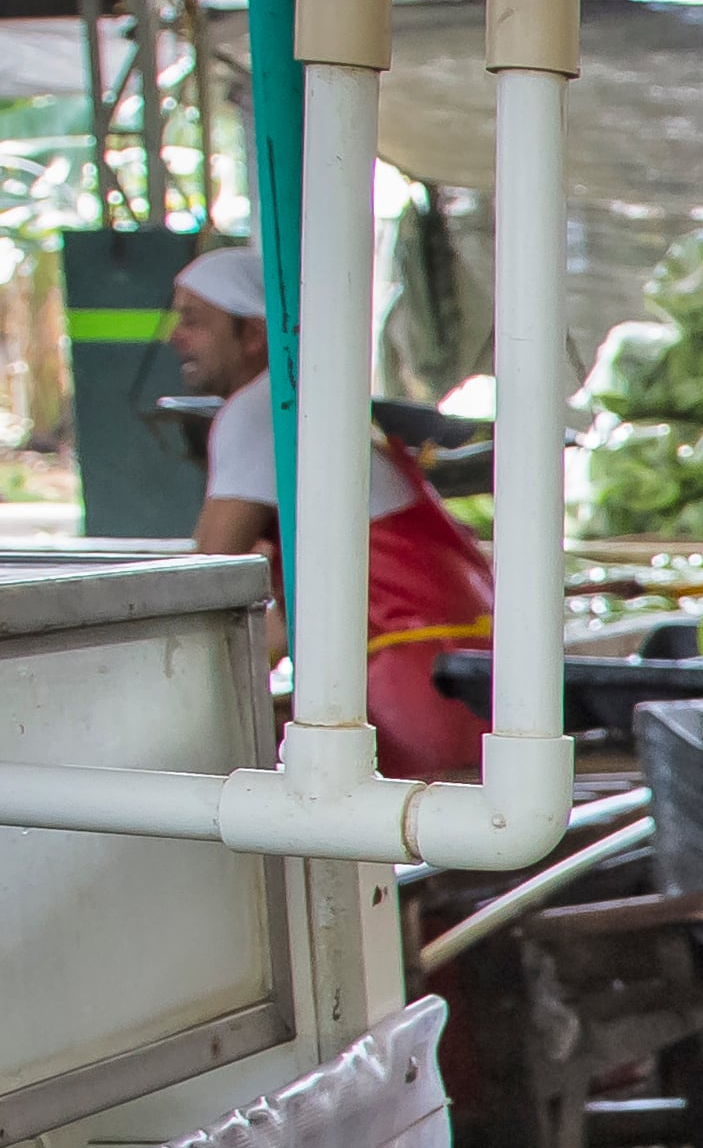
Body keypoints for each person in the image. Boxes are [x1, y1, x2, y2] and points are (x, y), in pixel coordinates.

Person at [171, 242, 492, 776]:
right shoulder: (306, 398)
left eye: (194, 320)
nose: (175, 337)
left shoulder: (265, 409)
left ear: (252, 335)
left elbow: (204, 574)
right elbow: (306, 592)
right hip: (454, 664)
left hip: (411, 667)